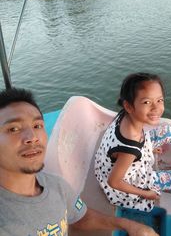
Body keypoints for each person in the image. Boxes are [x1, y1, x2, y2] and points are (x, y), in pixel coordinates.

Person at [0, 87, 158, 236]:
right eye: (13, 129)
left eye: (37, 125)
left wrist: (130, 226)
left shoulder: (56, 186)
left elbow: (82, 217)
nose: (32, 137)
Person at [95, 72, 171, 212]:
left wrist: (146, 149)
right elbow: (114, 181)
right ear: (129, 106)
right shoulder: (129, 148)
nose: (156, 108)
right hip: (131, 181)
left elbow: (134, 144)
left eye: (159, 100)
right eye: (147, 102)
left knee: (166, 131)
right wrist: (146, 194)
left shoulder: (125, 116)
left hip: (118, 162)